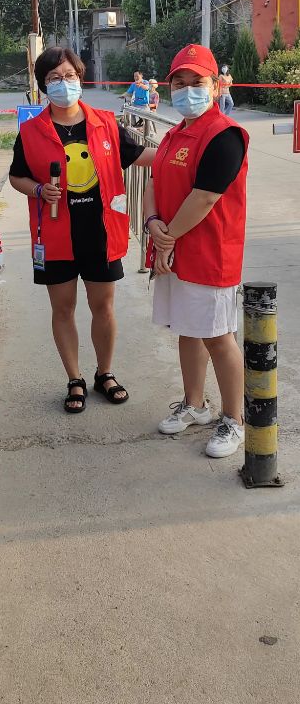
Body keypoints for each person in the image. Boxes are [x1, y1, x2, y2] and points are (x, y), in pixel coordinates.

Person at [9, 46, 155, 413]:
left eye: (69, 76)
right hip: (54, 234)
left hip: (100, 232)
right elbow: (16, 176)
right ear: (43, 85)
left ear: (80, 77)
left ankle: (105, 373)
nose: (63, 83)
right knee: (63, 309)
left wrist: (189, 151)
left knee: (103, 306)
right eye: (54, 78)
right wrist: (38, 190)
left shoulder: (105, 123)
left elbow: (139, 155)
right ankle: (74, 379)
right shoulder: (31, 131)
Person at [143, 44, 249, 458]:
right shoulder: (174, 133)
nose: (188, 90)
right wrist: (152, 223)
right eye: (180, 83)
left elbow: (205, 196)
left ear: (216, 85)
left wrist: (166, 238)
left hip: (209, 253)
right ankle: (194, 404)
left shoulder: (224, 134)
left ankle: (234, 419)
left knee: (218, 337)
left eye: (197, 82)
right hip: (173, 249)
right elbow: (154, 181)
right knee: (187, 329)